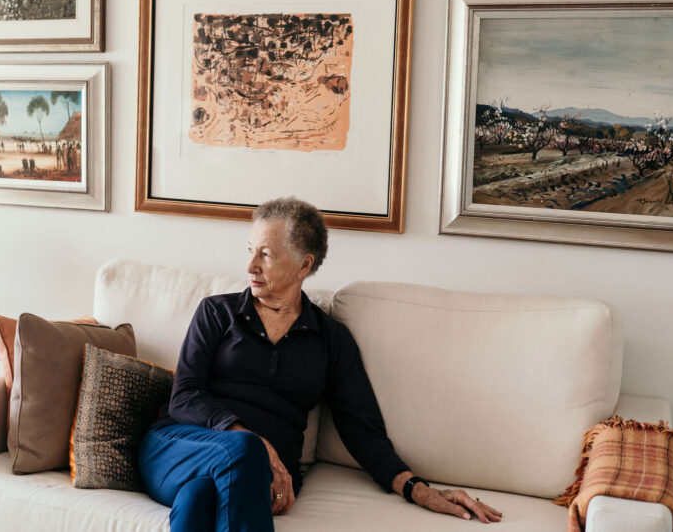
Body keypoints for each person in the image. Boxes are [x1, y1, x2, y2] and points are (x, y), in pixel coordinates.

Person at [137, 197, 502, 531]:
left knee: (199, 499)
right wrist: (252, 442)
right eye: (250, 250)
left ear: (304, 264)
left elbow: (362, 431)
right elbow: (184, 397)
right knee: (242, 454)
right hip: (180, 449)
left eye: (265, 254)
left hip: (263, 476)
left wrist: (419, 490)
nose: (250, 265)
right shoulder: (217, 313)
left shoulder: (330, 340)